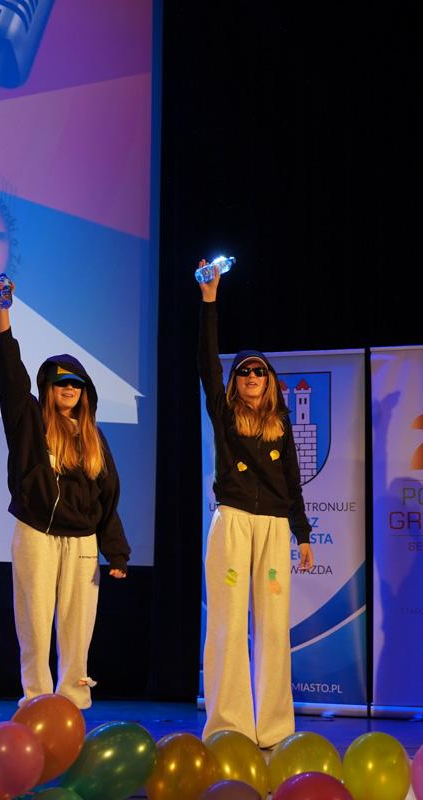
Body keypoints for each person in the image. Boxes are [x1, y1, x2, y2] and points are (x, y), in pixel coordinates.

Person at [0, 277, 129, 710]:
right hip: (37, 532)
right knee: (34, 621)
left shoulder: (94, 438)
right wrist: (4, 317)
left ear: (85, 393)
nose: (69, 389)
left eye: (77, 384)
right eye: (61, 383)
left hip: (82, 540)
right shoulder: (29, 423)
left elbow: (107, 498)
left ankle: (73, 701)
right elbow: (10, 379)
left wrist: (116, 551)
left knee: (78, 626)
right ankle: (36, 698)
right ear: (48, 388)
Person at [198, 261, 312, 748]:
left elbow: (292, 481)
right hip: (234, 522)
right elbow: (207, 364)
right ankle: (229, 723)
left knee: (272, 626)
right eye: (243, 371)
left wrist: (302, 534)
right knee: (227, 621)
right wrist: (210, 301)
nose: (250, 376)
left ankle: (274, 727)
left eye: (258, 371)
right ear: (235, 381)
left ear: (269, 381)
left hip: (273, 528)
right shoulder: (224, 415)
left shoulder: (280, 426)